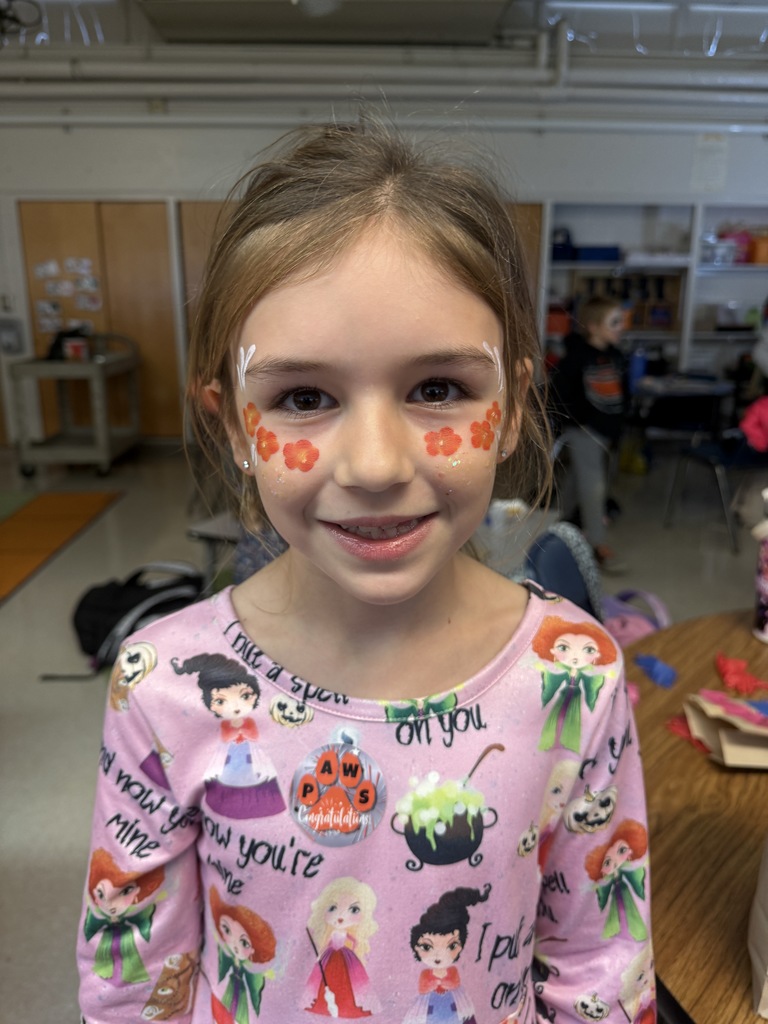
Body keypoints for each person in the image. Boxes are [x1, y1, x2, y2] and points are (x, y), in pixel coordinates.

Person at [77, 114, 654, 1023]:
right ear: (234, 426)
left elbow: (598, 964)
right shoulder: (166, 685)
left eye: (437, 390)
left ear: (507, 409)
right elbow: (134, 981)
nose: (378, 465)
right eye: (305, 398)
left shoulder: (572, 675)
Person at [550, 295, 629, 573]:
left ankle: (551, 528)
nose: (621, 327)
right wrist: (578, 422)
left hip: (606, 432)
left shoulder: (617, 357)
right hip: (584, 431)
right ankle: (598, 545)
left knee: (577, 483)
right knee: (594, 488)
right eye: (615, 322)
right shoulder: (575, 358)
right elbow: (559, 396)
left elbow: (621, 394)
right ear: (594, 326)